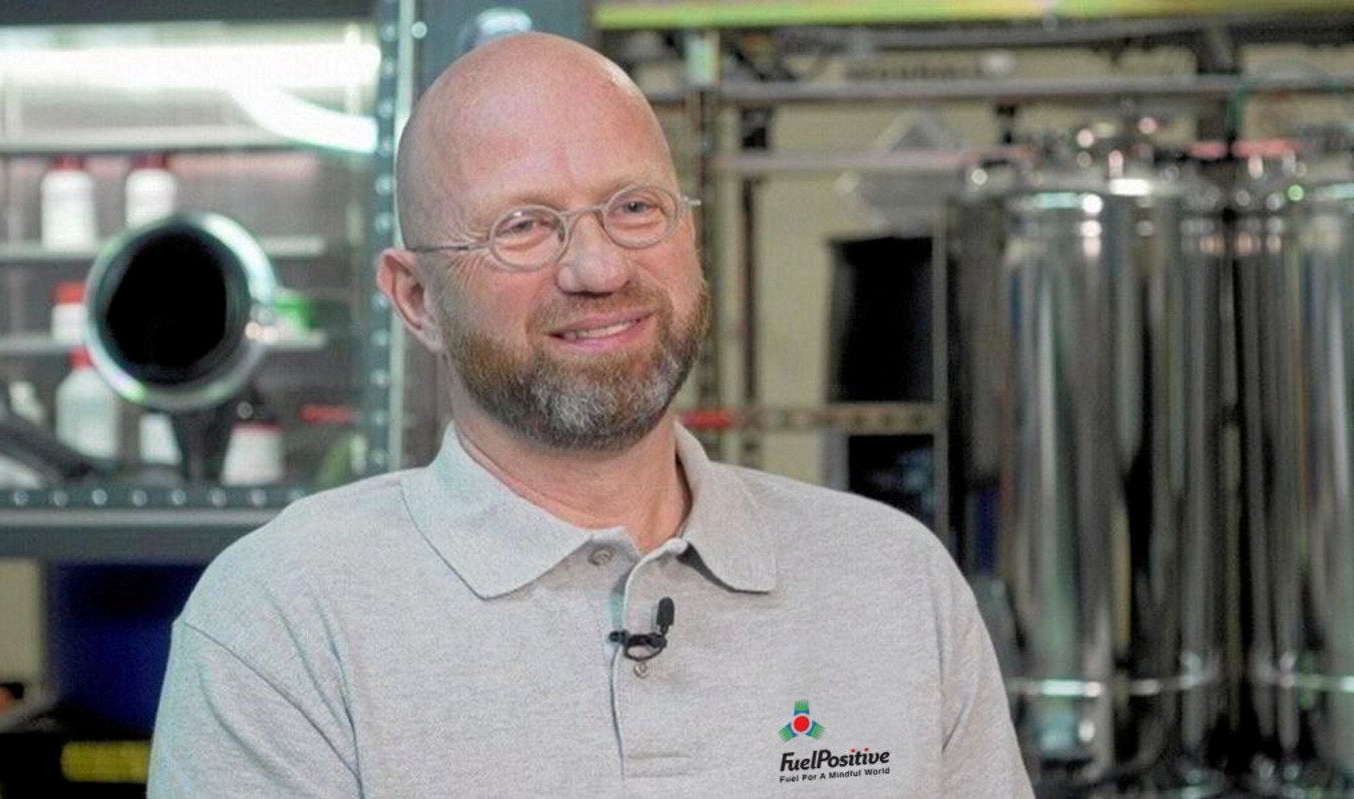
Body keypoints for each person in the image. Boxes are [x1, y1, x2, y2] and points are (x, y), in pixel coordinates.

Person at [148, 33, 1030, 798]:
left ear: (689, 236)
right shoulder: (287, 620)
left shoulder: (895, 583)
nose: (599, 268)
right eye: (523, 227)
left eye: (636, 208)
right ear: (416, 299)